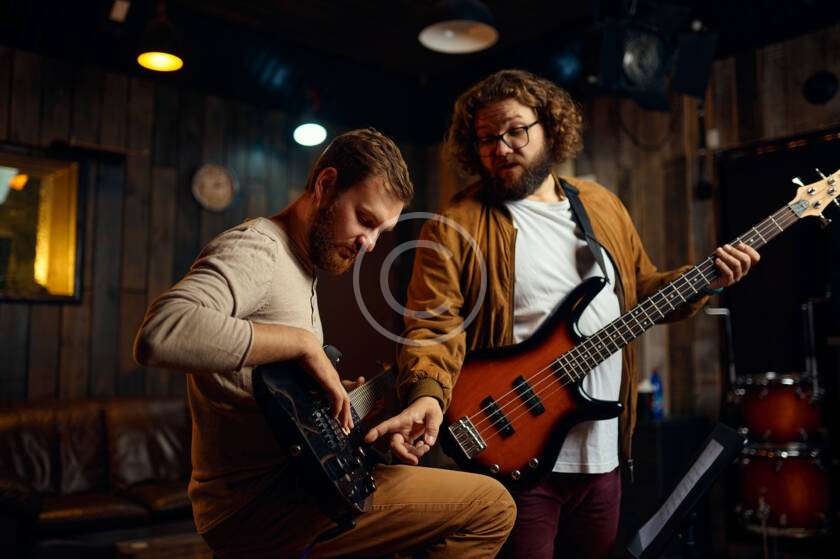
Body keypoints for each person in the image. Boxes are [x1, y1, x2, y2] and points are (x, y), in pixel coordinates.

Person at [363, 71, 760, 558]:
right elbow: (433, 325)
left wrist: (707, 279)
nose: (500, 148)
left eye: (515, 131)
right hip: (515, 451)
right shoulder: (455, 223)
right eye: (486, 138)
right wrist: (427, 394)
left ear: (550, 128)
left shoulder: (601, 205)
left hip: (602, 451)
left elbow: (640, 291)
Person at [134, 128, 516, 559]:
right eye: (365, 220)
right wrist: (302, 344)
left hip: (296, 487)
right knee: (492, 507)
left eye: (381, 231)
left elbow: (267, 393)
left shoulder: (302, 265)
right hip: (261, 506)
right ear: (326, 185)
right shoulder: (258, 249)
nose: (369, 244)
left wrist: (338, 406)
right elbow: (161, 332)